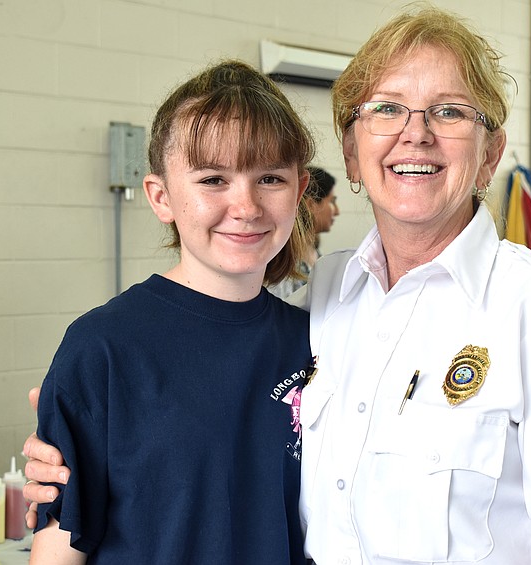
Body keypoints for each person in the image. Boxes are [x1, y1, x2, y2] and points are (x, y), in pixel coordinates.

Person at [24, 6, 531, 563]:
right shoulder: (320, 302)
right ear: (351, 156)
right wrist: (73, 435)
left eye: (450, 111)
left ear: (490, 154)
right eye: (386, 108)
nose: (416, 132)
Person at [28, 60, 315, 564]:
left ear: (300, 189)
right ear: (161, 197)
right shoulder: (102, 348)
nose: (246, 206)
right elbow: (59, 542)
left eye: (270, 177)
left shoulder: (319, 341)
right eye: (213, 179)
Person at [268, 166, 339, 298]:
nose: (337, 211)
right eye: (332, 202)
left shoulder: (313, 252)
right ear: (311, 205)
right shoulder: (284, 263)